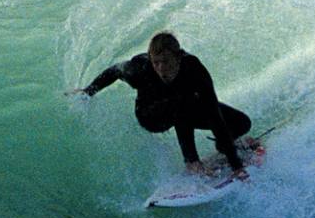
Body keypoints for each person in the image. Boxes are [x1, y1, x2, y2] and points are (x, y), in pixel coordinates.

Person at [78, 31, 253, 175]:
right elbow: (115, 71)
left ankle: (224, 146)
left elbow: (213, 112)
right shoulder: (141, 69)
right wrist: (88, 92)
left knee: (241, 123)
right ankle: (192, 162)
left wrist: (235, 164)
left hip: (182, 107)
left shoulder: (193, 68)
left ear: (179, 57)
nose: (161, 69)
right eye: (156, 62)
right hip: (150, 115)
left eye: (166, 62)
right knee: (183, 101)